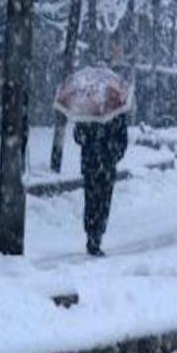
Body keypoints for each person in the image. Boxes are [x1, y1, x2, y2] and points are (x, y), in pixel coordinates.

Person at [73, 108, 129, 257]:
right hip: (91, 166)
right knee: (91, 202)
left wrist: (111, 154)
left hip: (106, 167)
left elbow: (123, 141)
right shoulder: (86, 114)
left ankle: (97, 236)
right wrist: (86, 137)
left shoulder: (117, 113)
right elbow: (77, 136)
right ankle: (92, 235)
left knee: (103, 203)